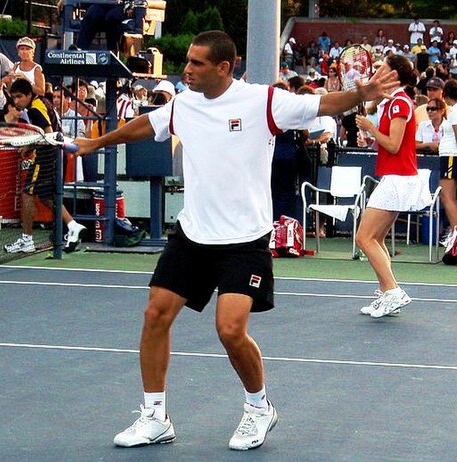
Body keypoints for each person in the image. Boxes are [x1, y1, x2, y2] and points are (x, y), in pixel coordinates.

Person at [72, 30, 399, 450]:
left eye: (196, 63)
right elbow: (143, 125)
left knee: (229, 330)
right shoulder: (184, 104)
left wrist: (361, 95)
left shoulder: (263, 101)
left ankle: (259, 408)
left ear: (224, 67)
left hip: (244, 239)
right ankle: (155, 417)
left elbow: (323, 104)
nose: (186, 69)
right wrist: (96, 142)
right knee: (155, 314)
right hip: (192, 234)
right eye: (187, 61)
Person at [355, 54, 430, 319]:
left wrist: (369, 128)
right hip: (394, 176)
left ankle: (393, 290)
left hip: (398, 179)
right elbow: (389, 145)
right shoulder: (391, 104)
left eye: (382, 69)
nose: (377, 73)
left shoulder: (400, 103)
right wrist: (370, 138)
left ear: (394, 75)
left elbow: (395, 145)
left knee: (363, 238)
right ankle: (387, 293)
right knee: (375, 239)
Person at [3, 79, 86, 254]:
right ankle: (72, 225)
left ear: (29, 95)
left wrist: (30, 146)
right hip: (56, 153)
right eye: (13, 98)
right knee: (46, 196)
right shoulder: (42, 102)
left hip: (47, 155)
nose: (16, 101)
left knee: (27, 193)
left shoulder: (34, 109)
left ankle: (27, 240)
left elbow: (48, 134)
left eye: (19, 97)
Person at [437, 79, 457, 244]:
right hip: (450, 155)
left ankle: (456, 235)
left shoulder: (455, 111)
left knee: (447, 196)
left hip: (451, 155)